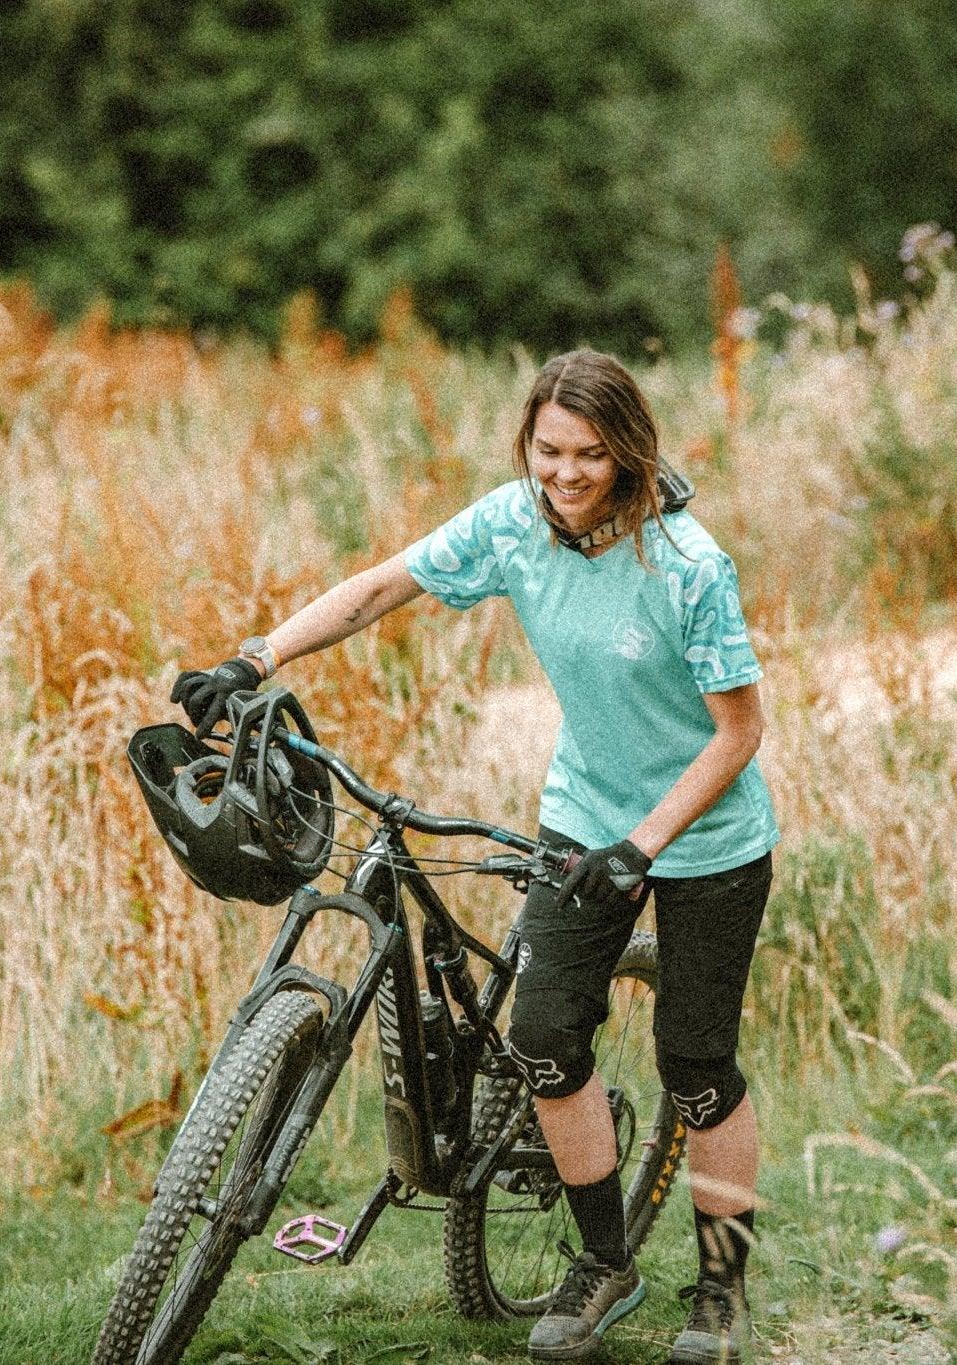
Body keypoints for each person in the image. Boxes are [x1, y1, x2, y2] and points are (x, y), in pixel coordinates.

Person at [172, 349, 778, 1364]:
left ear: (628, 453)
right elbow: (380, 589)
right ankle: (603, 1265)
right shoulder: (512, 524)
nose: (565, 476)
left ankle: (720, 1289)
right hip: (583, 817)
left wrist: (644, 846)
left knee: (694, 1062)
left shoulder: (686, 566)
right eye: (547, 451)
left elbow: (738, 733)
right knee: (542, 1040)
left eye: (589, 455)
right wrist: (255, 658)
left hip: (706, 838)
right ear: (526, 445)